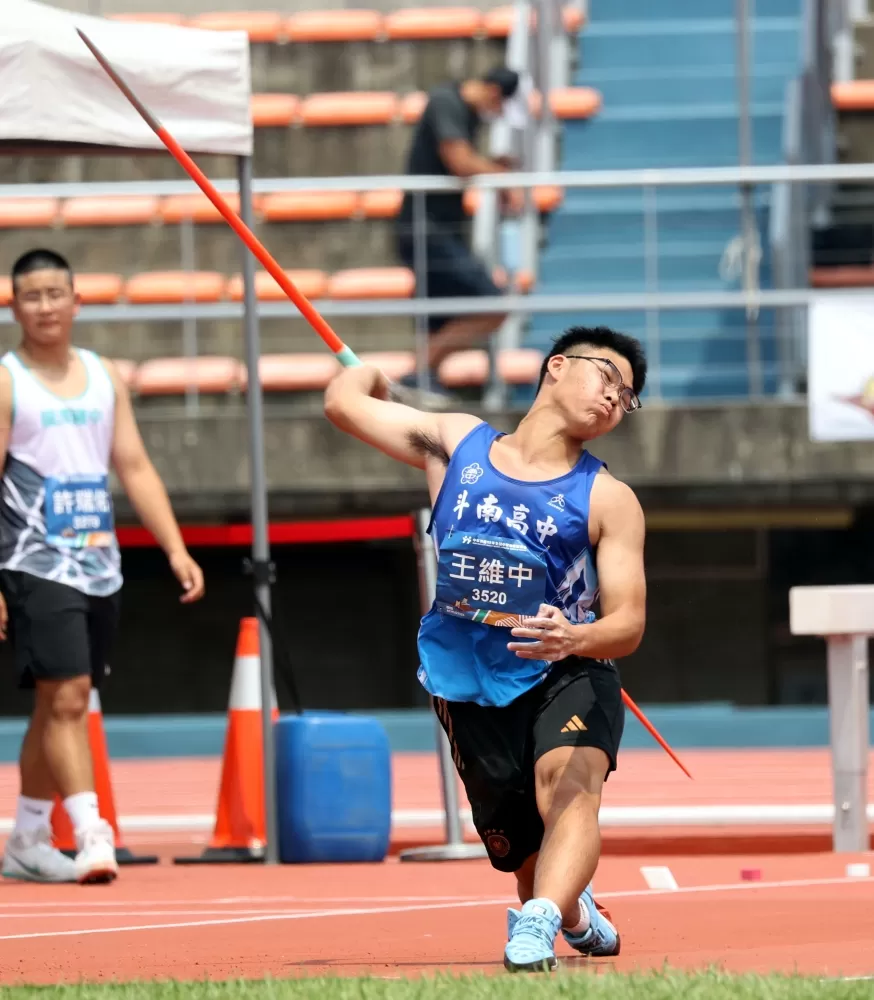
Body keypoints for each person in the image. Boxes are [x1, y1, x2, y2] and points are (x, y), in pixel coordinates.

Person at [325, 325, 647, 972]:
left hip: (567, 666)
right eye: (608, 378)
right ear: (556, 366)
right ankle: (575, 913)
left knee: (571, 785)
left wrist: (574, 638)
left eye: (628, 397)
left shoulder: (608, 498)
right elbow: (342, 404)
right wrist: (372, 379)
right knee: (525, 857)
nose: (615, 399)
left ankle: (539, 923)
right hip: (467, 676)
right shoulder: (455, 443)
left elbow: (630, 624)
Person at [0, 248, 205, 885]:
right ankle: (92, 833)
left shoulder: (102, 374)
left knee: (57, 700)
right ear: (14, 306)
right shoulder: (7, 379)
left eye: (54, 294)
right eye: (30, 296)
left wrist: (174, 547)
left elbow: (134, 465)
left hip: (98, 563)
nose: (44, 306)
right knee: (66, 697)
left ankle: (29, 835)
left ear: (76, 301)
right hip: (33, 561)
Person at [395, 66, 527, 395]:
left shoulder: (460, 109)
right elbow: (460, 161)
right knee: (492, 306)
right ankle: (418, 371)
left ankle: (422, 378)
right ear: (495, 94)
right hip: (427, 230)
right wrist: (499, 176)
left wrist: (495, 169)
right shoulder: (446, 102)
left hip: (438, 229)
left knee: (442, 316)